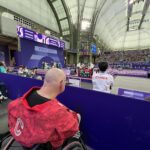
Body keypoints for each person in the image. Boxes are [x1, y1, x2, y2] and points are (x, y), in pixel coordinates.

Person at [8, 68, 80, 149]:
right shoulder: (57, 113)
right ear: (61, 83)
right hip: (45, 146)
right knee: (77, 118)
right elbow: (73, 128)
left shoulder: (17, 103)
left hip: (23, 139)